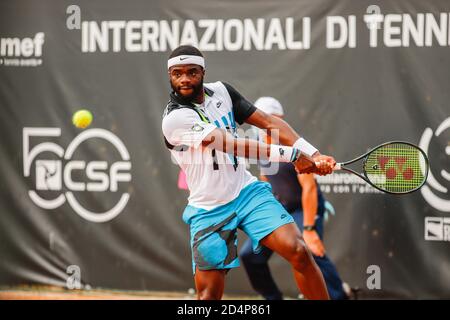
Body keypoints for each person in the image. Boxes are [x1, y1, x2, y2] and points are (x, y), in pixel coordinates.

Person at [161, 45, 336, 300]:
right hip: (209, 208)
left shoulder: (222, 92)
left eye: (192, 72)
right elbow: (233, 145)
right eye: (177, 73)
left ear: (203, 71)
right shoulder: (175, 119)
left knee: (298, 251)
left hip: (247, 193)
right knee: (209, 296)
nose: (185, 79)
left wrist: (313, 153)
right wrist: (294, 156)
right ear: (170, 75)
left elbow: (269, 122)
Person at [239, 97, 348, 300]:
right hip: (280, 208)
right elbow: (266, 179)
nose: (262, 122)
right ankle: (272, 299)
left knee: (309, 250)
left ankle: (340, 296)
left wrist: (309, 229)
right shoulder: (261, 147)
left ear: (279, 119)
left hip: (303, 208)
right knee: (249, 256)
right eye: (259, 117)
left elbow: (309, 189)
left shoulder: (294, 148)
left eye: (268, 117)